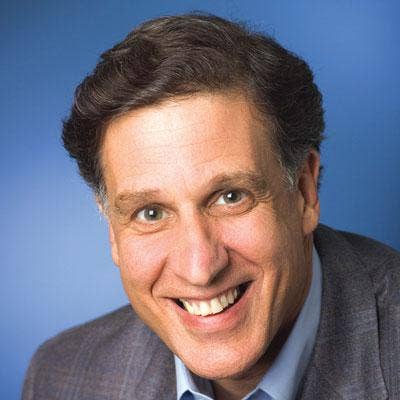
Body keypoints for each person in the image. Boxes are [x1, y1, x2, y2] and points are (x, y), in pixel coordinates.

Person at [22, 13, 399, 400]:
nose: (200, 269)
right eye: (151, 213)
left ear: (303, 191)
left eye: (231, 197)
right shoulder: (62, 377)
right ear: (112, 231)